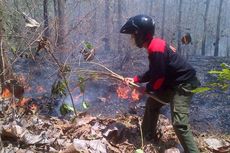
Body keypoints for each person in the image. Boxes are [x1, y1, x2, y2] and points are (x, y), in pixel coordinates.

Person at [120, 14, 200, 153]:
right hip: (174, 83)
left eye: (133, 35)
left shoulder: (155, 48)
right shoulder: (154, 45)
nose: (132, 38)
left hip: (184, 84)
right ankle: (147, 136)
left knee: (179, 124)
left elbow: (158, 78)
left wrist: (145, 88)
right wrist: (136, 79)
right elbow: (155, 71)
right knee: (153, 103)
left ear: (141, 34)